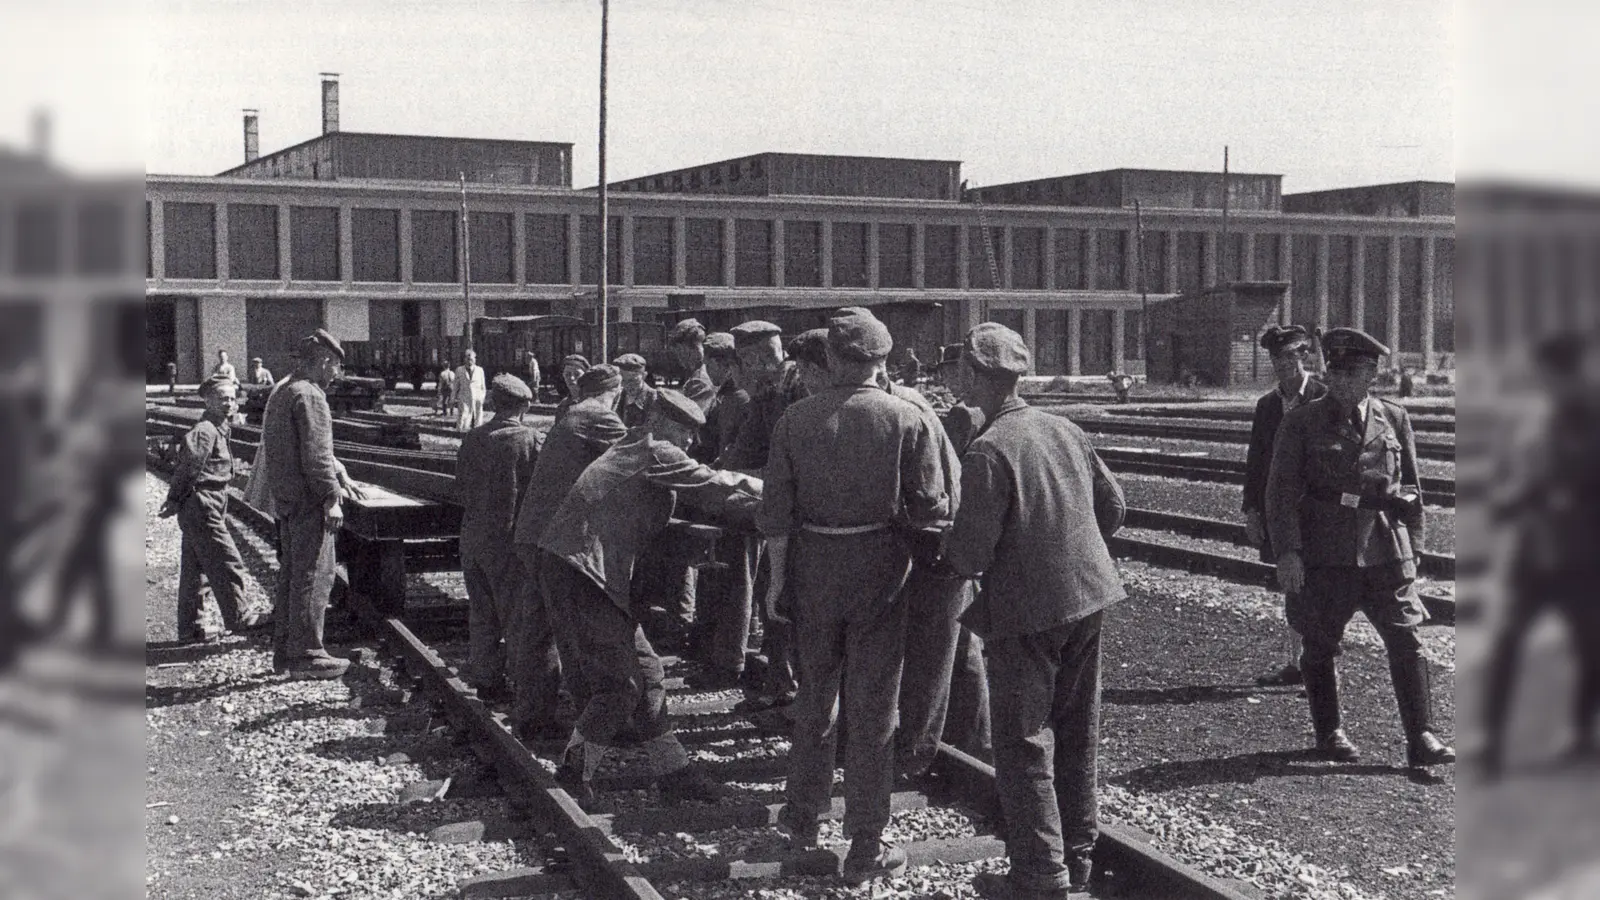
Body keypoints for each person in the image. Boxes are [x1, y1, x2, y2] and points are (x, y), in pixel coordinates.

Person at [759, 309, 951, 886]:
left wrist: (775, 584)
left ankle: (802, 818)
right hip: (881, 578)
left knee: (815, 697)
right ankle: (866, 841)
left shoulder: (794, 419)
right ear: (881, 360)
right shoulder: (906, 418)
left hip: (813, 571)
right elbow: (932, 509)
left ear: (834, 359)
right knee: (873, 709)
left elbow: (775, 518)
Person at [941, 323, 1126, 900]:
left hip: (1027, 611)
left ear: (975, 375)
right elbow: (1113, 507)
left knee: (1021, 741)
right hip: (1090, 596)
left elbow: (970, 555)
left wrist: (942, 544)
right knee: (1077, 729)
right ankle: (1080, 854)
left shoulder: (989, 450)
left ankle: (1040, 875)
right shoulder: (1064, 428)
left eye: (960, 371)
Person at [539, 390, 762, 803]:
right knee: (621, 684)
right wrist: (783, 494)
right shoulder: (656, 450)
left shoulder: (634, 444)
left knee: (647, 673)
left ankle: (674, 773)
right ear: (662, 422)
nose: (691, 442)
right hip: (583, 570)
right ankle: (573, 773)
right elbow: (712, 484)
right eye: (686, 431)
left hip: (589, 569)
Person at [1265, 327, 1455, 768]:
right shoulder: (1301, 421)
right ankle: (1329, 732)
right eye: (1334, 370)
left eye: (1351, 372)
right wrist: (1289, 553)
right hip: (1326, 551)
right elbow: (1279, 492)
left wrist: (1417, 550)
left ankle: (1421, 735)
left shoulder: (1394, 417)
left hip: (1386, 549)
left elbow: (1412, 486)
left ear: (1371, 374)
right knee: (1320, 642)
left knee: (1406, 640)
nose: (1338, 379)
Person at [1479, 333, 1600, 777]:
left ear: (1572, 374)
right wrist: (1509, 502)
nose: (1548, 386)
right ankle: (1492, 744)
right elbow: (1524, 481)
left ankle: (1583, 733)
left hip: (1585, 560)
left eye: (1554, 376)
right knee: (1507, 642)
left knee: (1591, 650)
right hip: (1536, 557)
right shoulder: (1540, 423)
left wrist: (1575, 502)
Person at [511, 364, 627, 739]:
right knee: (570, 628)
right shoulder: (600, 417)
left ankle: (532, 712)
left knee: (539, 626)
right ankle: (587, 720)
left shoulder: (573, 413)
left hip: (531, 532)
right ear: (617, 392)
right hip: (553, 539)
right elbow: (641, 456)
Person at [260, 329, 366, 679]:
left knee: (292, 575)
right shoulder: (311, 396)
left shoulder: (284, 391)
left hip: (288, 498)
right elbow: (316, 456)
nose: (336, 373)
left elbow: (297, 446)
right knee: (316, 575)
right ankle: (307, 655)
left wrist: (338, 467)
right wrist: (332, 498)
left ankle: (286, 653)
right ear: (322, 361)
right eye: (335, 365)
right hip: (309, 501)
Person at [720, 320, 800, 715]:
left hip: (812, 516)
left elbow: (795, 464)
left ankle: (797, 690)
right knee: (775, 593)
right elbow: (742, 454)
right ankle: (782, 682)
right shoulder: (768, 395)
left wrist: (739, 476)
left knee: (789, 598)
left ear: (759, 359)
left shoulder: (797, 386)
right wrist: (721, 473)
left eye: (746, 363)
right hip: (785, 513)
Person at [1243, 324, 1328, 688]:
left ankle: (1321, 665)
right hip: (1282, 512)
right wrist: (1251, 509)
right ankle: (1298, 663)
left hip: (1322, 511)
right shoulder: (1267, 406)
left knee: (1323, 585)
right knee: (1291, 584)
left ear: (1304, 356)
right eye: (1277, 358)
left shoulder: (1324, 397)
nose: (1283, 364)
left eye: (1290, 356)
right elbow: (1257, 461)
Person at [159, 375, 267, 643]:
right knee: (228, 560)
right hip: (202, 505)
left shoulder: (219, 428)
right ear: (207, 400)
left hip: (208, 504)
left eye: (232, 398)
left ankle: (190, 630)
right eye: (222, 398)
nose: (229, 403)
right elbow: (188, 469)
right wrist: (174, 499)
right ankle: (240, 617)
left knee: (195, 571)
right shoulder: (205, 431)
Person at [457, 374, 542, 703]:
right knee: (516, 617)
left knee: (481, 614)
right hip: (507, 543)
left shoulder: (473, 438)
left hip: (472, 540)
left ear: (494, 403)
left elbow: (461, 487)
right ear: (525, 406)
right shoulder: (531, 441)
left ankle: (487, 681)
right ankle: (527, 690)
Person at [667, 318, 717, 410]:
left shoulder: (700, 381)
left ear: (684, 349)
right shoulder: (699, 372)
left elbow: (692, 420)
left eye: (677, 350)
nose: (678, 357)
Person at [614, 353, 659, 428]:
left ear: (644, 375)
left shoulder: (654, 398)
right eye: (623, 381)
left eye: (632, 381)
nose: (627, 385)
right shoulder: (617, 396)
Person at [454, 349, 487, 431]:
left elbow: (483, 387)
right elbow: (455, 386)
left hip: (477, 399)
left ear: (475, 359)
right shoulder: (459, 370)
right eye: (467, 359)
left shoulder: (480, 370)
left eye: (471, 359)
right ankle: (460, 434)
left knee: (477, 420)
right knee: (463, 419)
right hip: (464, 398)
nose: (469, 361)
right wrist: (452, 398)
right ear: (464, 359)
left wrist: (482, 398)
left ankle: (477, 437)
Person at [553, 354, 590, 421]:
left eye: (577, 374)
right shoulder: (563, 405)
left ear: (586, 376)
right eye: (567, 374)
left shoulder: (591, 403)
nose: (572, 378)